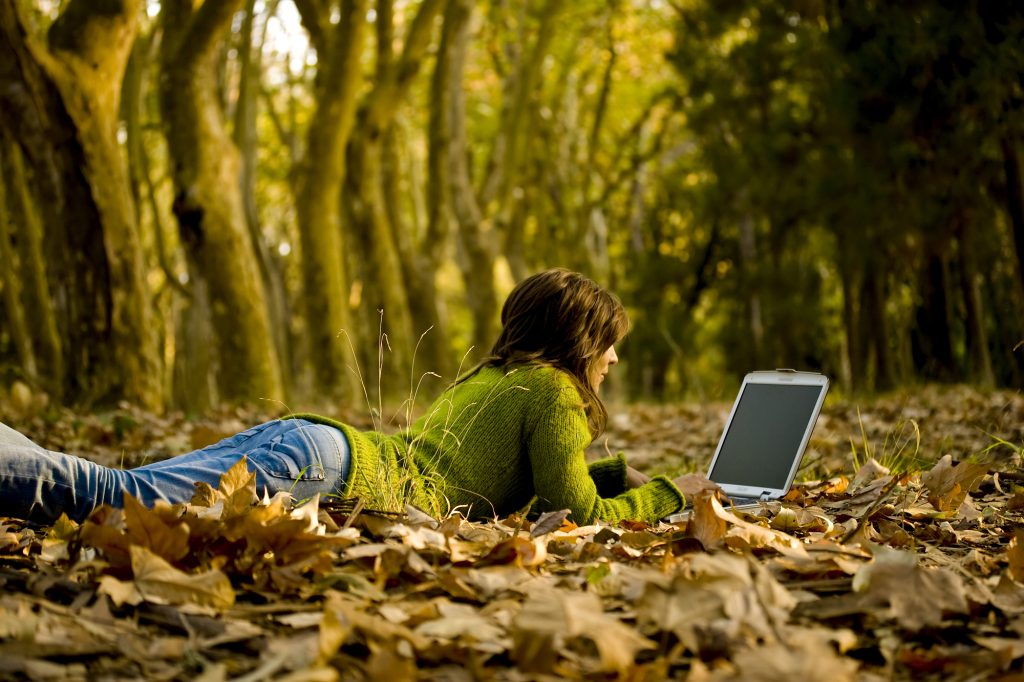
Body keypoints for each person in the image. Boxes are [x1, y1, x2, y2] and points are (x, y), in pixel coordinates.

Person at [1, 268, 702, 527]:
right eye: (607, 341)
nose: (613, 357)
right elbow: (573, 511)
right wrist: (671, 493)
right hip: (325, 468)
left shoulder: (499, 378)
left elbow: (547, 482)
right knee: (108, 501)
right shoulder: (553, 393)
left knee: (116, 488)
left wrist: (621, 474)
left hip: (315, 447)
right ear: (576, 340)